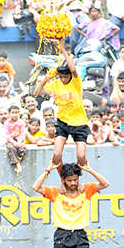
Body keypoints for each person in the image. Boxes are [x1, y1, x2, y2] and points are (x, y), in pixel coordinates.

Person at [32, 162, 109, 248]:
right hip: (62, 235)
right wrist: (47, 170)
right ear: (63, 180)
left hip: (80, 234)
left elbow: (105, 184)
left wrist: (89, 170)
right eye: (69, 180)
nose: (73, 183)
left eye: (75, 180)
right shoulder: (55, 192)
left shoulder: (86, 190)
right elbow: (36, 187)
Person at [35, 39, 90, 169]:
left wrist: (62, 49)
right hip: (63, 122)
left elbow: (72, 68)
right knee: (57, 154)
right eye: (61, 77)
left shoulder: (76, 82)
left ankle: (84, 173)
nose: (63, 79)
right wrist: (46, 79)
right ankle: (62, 179)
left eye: (65, 77)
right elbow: (37, 93)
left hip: (79, 122)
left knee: (81, 157)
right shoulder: (56, 84)